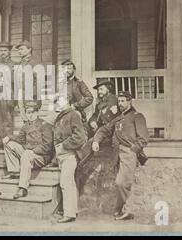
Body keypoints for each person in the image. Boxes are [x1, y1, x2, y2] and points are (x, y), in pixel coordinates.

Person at [92, 91, 149, 220]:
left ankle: (128, 211)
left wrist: (133, 150)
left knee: (122, 182)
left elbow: (144, 138)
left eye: (123, 101)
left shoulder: (137, 116)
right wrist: (96, 140)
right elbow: (104, 130)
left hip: (129, 153)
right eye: (119, 101)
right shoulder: (117, 119)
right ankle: (120, 210)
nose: (121, 103)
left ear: (130, 101)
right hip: (116, 154)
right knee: (121, 183)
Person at [1, 101, 54, 199]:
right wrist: (9, 137)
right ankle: (15, 171)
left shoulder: (45, 124)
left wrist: (32, 151)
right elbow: (20, 140)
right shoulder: (25, 126)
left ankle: (23, 188)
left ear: (37, 112)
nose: (30, 115)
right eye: (28, 113)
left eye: (33, 112)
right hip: (28, 154)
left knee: (26, 154)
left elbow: (48, 146)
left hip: (41, 156)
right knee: (9, 144)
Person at [53, 94, 87, 223]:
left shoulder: (73, 115)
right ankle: (72, 211)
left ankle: (69, 214)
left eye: (60, 101)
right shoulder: (60, 117)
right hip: (62, 155)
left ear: (67, 101)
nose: (57, 104)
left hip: (70, 154)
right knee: (69, 183)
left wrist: (64, 145)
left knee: (66, 182)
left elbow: (80, 137)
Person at [0, 41, 16, 150]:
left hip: (8, 95)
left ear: (9, 51)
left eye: (5, 50)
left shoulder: (14, 65)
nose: (3, 53)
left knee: (8, 119)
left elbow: (16, 83)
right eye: (1, 50)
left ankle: (8, 141)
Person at [14, 40, 41, 122]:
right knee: (24, 118)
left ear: (29, 50)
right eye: (18, 50)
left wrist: (35, 97)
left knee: (32, 118)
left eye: (21, 49)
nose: (19, 51)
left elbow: (39, 82)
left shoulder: (34, 63)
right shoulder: (19, 64)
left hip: (31, 95)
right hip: (20, 94)